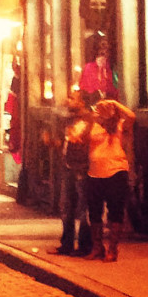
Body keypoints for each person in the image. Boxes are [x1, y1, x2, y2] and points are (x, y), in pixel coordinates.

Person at [85, 99, 135, 261]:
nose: (100, 111)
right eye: (98, 108)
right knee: (94, 212)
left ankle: (113, 249)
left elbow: (131, 116)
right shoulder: (92, 125)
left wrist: (114, 103)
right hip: (94, 173)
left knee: (115, 211)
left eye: (104, 109)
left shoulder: (118, 124)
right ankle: (97, 247)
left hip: (116, 171)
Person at [49, 91, 93, 257]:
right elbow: (66, 142)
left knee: (82, 209)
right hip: (68, 166)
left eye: (72, 98)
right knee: (67, 207)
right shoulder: (70, 119)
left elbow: (78, 138)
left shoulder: (87, 119)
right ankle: (66, 243)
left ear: (82, 102)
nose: (68, 101)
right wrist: (53, 142)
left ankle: (84, 245)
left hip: (81, 167)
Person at [79, 33, 118, 105]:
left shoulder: (113, 69)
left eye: (106, 49)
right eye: (101, 48)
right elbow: (85, 90)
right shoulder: (89, 68)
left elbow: (116, 89)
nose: (103, 52)